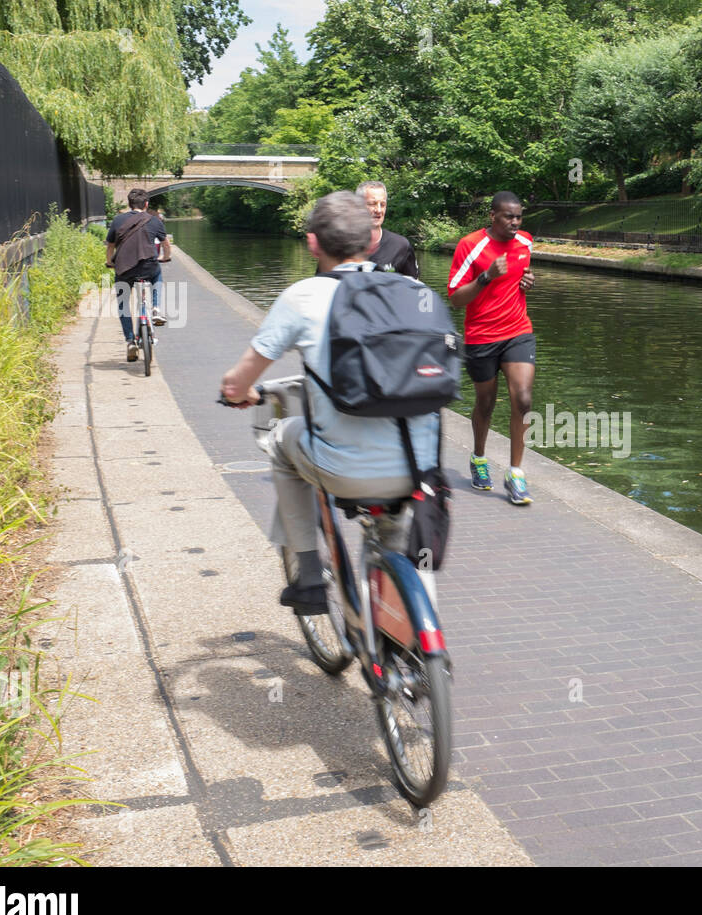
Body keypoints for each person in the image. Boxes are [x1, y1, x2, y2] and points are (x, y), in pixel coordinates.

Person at [219, 191, 440, 615]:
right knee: (397, 535)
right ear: (370, 240)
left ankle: (308, 579)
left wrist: (239, 391)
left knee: (283, 440)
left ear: (313, 243)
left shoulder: (303, 297)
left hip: (346, 470)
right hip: (420, 465)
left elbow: (237, 382)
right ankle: (412, 648)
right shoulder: (413, 290)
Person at [446, 191, 536, 505]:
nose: (515, 222)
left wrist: (528, 282)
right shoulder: (470, 246)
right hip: (481, 336)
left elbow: (523, 275)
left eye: (518, 217)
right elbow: (455, 299)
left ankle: (515, 474)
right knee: (485, 403)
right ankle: (479, 458)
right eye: (508, 216)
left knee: (523, 399)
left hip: (517, 331)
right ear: (493, 216)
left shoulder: (525, 242)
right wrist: (486, 277)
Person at [106, 188, 171, 362]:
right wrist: (165, 257)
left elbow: (110, 246)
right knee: (157, 274)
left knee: (123, 304)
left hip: (125, 269)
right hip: (148, 266)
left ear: (129, 204)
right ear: (146, 204)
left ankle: (130, 341)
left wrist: (110, 262)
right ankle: (156, 308)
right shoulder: (154, 221)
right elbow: (166, 245)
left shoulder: (118, 220)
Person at [356, 180, 420, 279]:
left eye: (382, 204)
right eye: (372, 204)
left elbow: (415, 288)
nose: (378, 210)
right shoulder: (343, 245)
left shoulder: (401, 246)